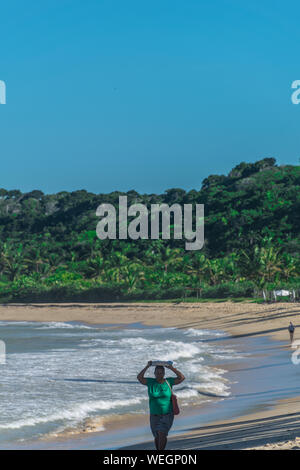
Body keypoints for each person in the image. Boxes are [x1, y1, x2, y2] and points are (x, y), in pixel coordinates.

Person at [137, 361, 185, 450]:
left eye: (161, 372)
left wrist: (171, 368)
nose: (159, 374)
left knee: (161, 433)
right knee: (157, 436)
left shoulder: (169, 381)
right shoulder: (150, 382)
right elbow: (139, 378)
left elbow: (182, 378)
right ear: (154, 373)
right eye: (157, 373)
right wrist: (147, 366)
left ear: (164, 373)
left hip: (167, 414)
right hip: (154, 415)